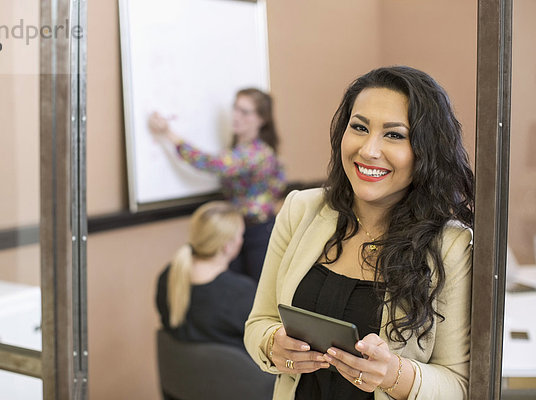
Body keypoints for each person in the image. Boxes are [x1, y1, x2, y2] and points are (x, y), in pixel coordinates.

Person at [244, 66, 474, 400]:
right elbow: (259, 322)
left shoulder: (451, 245)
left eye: (394, 134)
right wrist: (272, 345)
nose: (368, 150)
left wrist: (393, 373)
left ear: (426, 151)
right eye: (359, 127)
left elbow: (461, 386)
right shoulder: (300, 211)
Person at [149, 88, 286, 283]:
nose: (236, 116)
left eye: (245, 112)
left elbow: (213, 163)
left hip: (258, 231)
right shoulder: (240, 149)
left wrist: (168, 133)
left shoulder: (258, 152)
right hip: (236, 230)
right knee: (234, 286)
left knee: (257, 292)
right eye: (235, 108)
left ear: (261, 119)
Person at [156, 201, 257, 349]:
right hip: (234, 372)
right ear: (227, 246)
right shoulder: (240, 292)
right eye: (240, 235)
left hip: (185, 371)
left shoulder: (168, 276)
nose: (242, 240)